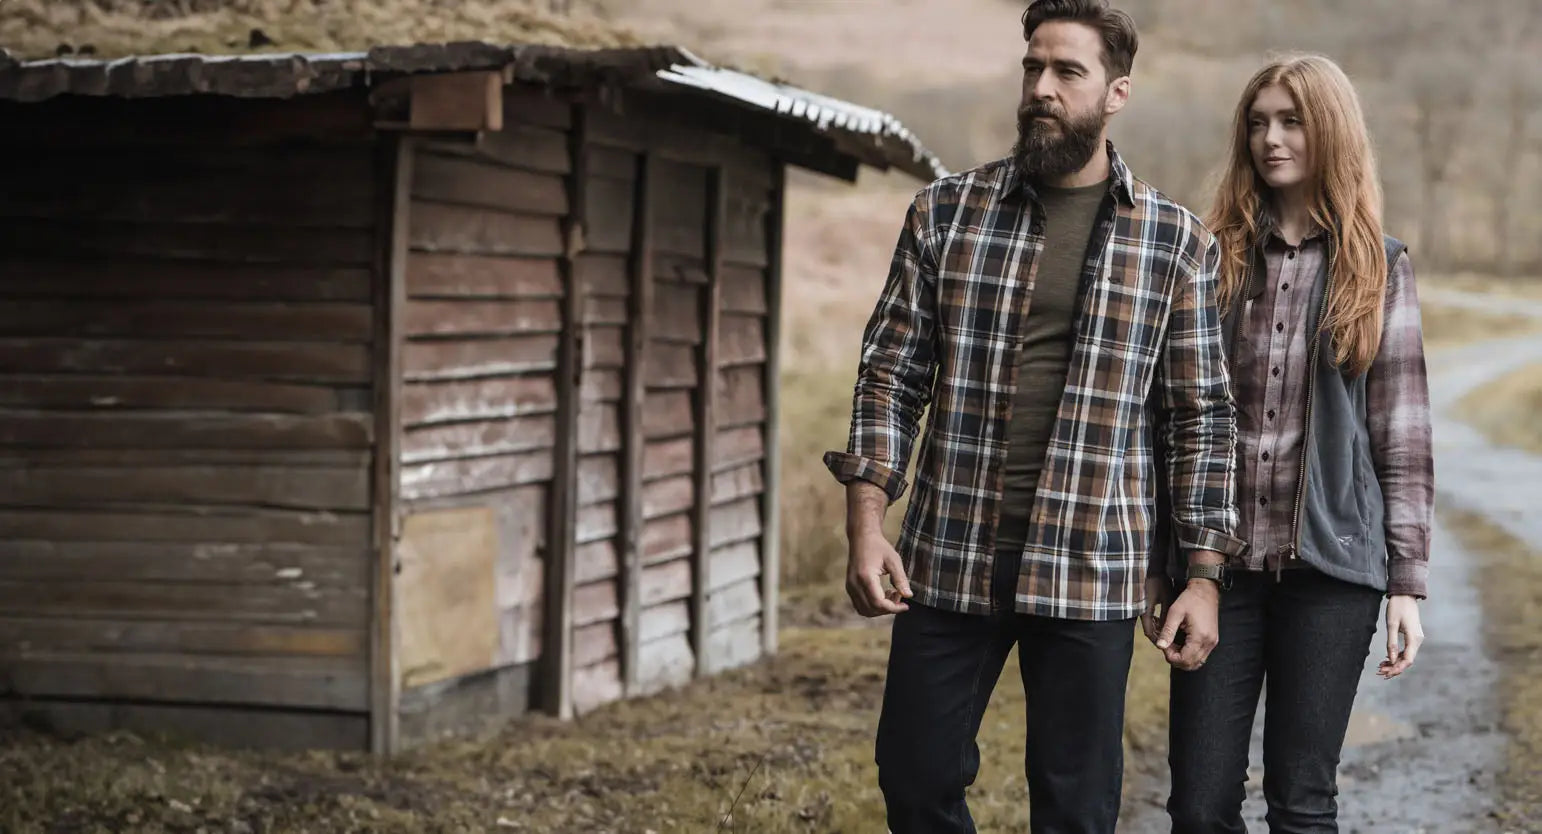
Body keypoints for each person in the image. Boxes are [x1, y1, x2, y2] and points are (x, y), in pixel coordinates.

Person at [822, 1, 1248, 831]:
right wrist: (867, 525)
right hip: (948, 556)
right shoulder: (947, 213)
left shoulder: (1176, 243)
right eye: (1032, 68)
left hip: (1092, 567)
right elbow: (890, 377)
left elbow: (1200, 420)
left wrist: (1203, 575)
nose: (1041, 89)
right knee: (914, 777)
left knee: (1076, 809)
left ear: (1116, 92)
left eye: (1066, 72)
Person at [1155, 54, 1433, 833]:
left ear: (1330, 130)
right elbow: (1170, 416)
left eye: (1291, 120)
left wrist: (1405, 582)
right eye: (1257, 121)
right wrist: (1163, 561)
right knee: (1199, 806)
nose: (1270, 139)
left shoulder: (1378, 266)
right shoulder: (1210, 258)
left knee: (1302, 802)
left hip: (1332, 571)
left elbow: (1402, 434)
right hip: (1220, 570)